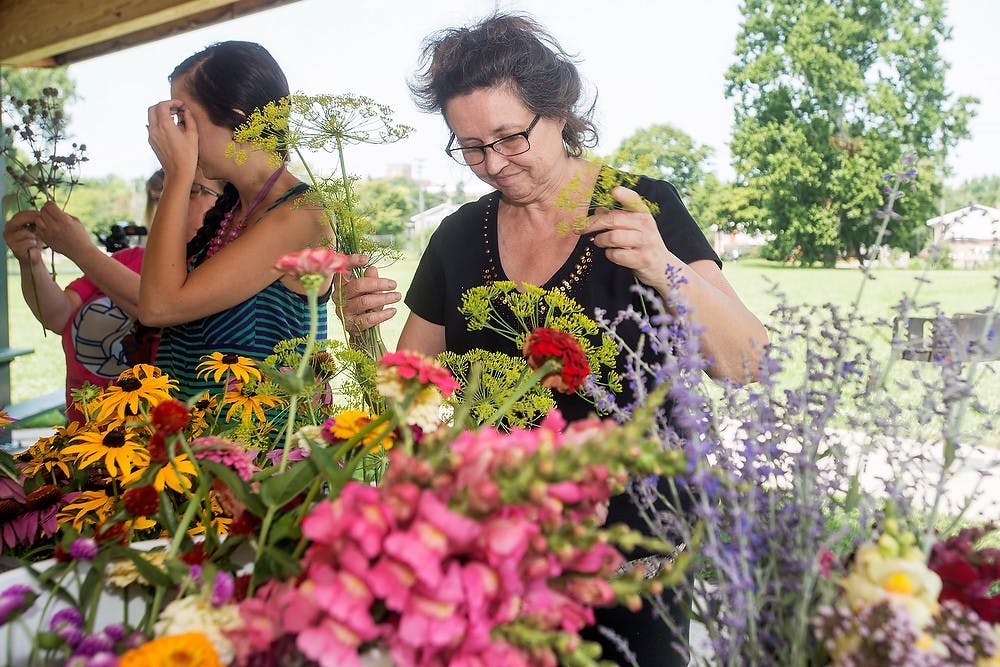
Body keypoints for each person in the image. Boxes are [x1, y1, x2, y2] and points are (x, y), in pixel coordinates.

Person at [335, 13, 768, 666]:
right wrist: (361, 330)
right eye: (472, 147)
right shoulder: (457, 236)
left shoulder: (642, 204)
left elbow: (745, 361)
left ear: (559, 110)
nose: (495, 164)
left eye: (511, 137)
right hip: (501, 562)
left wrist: (661, 265)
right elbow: (407, 397)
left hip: (639, 562)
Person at [141, 41, 333, 401]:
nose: (177, 133)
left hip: (263, 450)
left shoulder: (301, 214)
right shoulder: (233, 209)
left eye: (184, 118)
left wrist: (177, 174)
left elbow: (158, 305)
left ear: (237, 117)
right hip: (195, 446)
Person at [2, 168, 222, 423]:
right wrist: (31, 262)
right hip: (85, 443)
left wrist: (82, 251)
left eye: (192, 190)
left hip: (151, 449)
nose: (166, 200)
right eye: (159, 193)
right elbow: (58, 316)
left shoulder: (213, 275)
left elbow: (156, 307)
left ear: (228, 204)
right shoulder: (128, 259)